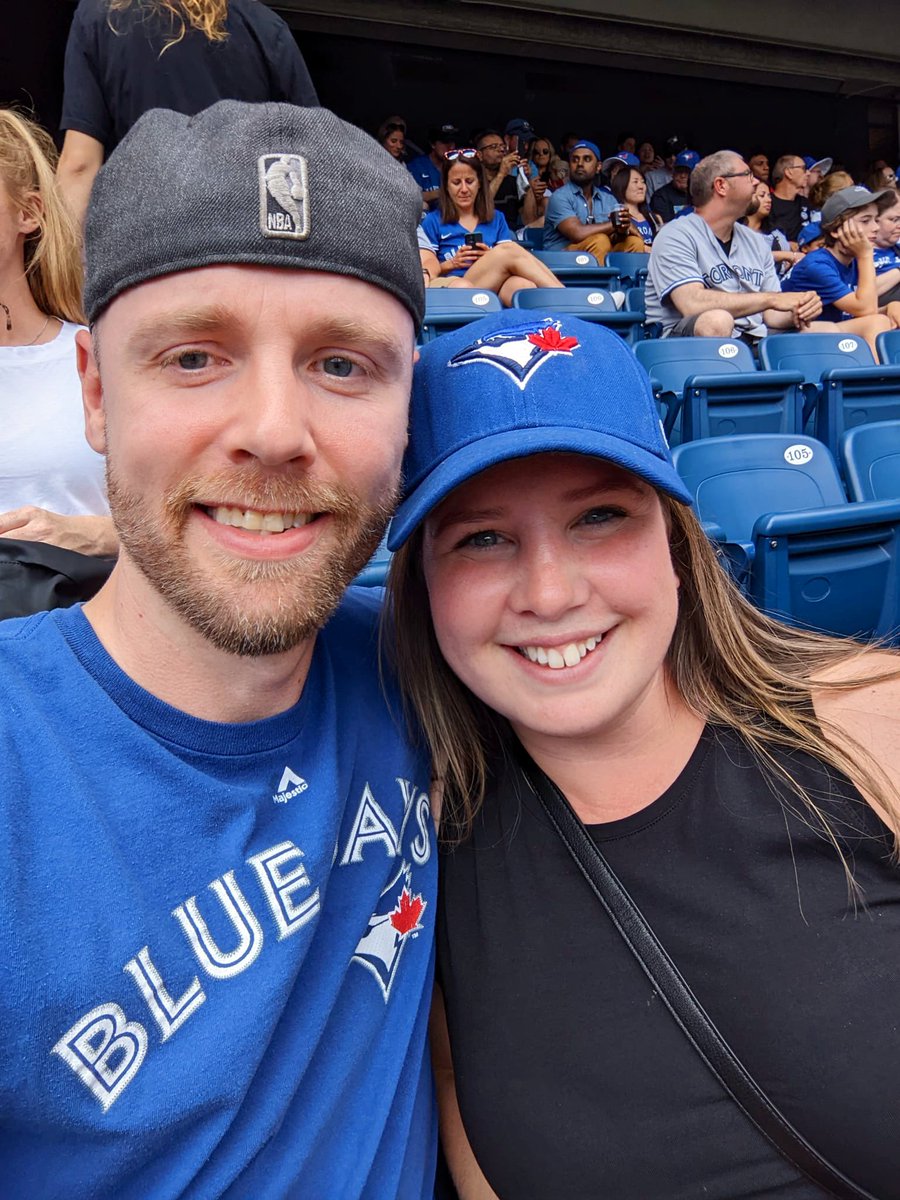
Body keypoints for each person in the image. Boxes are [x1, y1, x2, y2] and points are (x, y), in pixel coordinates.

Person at [0, 100, 436, 1198]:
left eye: (344, 366)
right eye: (196, 356)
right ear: (97, 394)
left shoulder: (442, 671)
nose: (276, 431)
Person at [385, 309, 900, 1200]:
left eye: (599, 517)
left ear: (674, 543)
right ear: (422, 583)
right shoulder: (426, 840)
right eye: (481, 538)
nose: (550, 593)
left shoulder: (869, 724)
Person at [57, 0, 318, 226]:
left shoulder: (100, 17)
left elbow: (80, 166)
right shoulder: (264, 26)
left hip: (142, 243)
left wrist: (66, 273)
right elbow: (312, 159)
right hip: (237, 243)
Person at [0, 108, 114, 566]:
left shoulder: (100, 355)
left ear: (28, 213)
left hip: (78, 622)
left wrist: (90, 535)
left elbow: (200, 533)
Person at [645, 150, 822, 341]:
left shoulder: (756, 241)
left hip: (752, 339)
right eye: (748, 175)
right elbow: (691, 303)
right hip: (685, 347)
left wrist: (799, 308)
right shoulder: (675, 234)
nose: (755, 182)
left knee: (824, 331)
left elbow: (771, 315)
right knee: (718, 321)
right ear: (721, 185)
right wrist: (771, 299)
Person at [418, 150, 563, 305]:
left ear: (480, 182)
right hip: (455, 285)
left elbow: (508, 262)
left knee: (523, 286)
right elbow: (427, 271)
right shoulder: (433, 221)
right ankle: (566, 299)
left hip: (491, 282)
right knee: (507, 250)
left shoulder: (496, 218)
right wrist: (453, 263)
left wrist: (491, 257)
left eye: (469, 181)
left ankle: (543, 324)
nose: (464, 189)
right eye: (456, 183)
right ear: (446, 186)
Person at [782, 184, 899, 354]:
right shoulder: (817, 264)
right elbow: (866, 310)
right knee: (876, 322)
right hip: (794, 341)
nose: (875, 227)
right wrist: (865, 255)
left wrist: (891, 307)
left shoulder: (852, 259)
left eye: (876, 219)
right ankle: (879, 379)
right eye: (865, 220)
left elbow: (859, 313)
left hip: (828, 334)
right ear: (837, 230)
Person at [543, 140, 646, 260]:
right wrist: (615, 224)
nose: (580, 164)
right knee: (600, 241)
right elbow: (577, 233)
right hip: (559, 260)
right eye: (575, 159)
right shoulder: (559, 196)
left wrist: (622, 230)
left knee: (634, 242)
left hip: (596, 253)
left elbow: (614, 237)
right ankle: (600, 279)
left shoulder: (608, 199)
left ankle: (625, 279)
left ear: (598, 167)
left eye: (587, 159)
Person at [742, 178, 802, 274]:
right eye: (762, 195)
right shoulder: (734, 229)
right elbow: (745, 257)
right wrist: (787, 255)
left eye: (769, 196)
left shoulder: (776, 232)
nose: (769, 200)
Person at [408, 123, 459, 210]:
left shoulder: (460, 165)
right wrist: (443, 192)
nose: (450, 147)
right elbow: (411, 198)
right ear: (433, 144)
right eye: (444, 142)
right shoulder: (417, 166)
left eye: (452, 142)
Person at [609, 164, 659, 249]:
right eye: (635, 182)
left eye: (643, 182)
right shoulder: (616, 217)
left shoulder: (654, 217)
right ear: (622, 185)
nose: (641, 186)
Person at [769, 153, 811, 244]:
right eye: (803, 168)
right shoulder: (767, 204)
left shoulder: (807, 203)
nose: (808, 173)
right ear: (789, 172)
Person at [650, 149, 698, 224]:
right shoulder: (661, 196)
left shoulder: (704, 194)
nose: (682, 175)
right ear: (673, 173)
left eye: (687, 172)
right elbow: (666, 227)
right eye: (679, 171)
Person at [873, 187, 900, 303]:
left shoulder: (896, 247)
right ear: (875, 220)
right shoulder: (857, 255)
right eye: (894, 219)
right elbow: (863, 293)